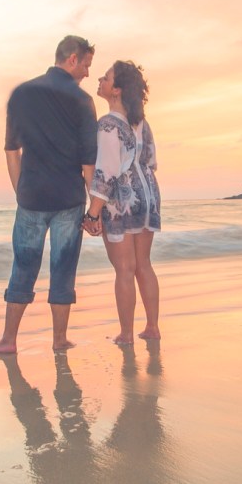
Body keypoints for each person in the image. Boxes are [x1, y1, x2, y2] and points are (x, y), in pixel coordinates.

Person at [0, 36, 98, 354]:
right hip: (68, 199)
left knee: (23, 266)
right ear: (73, 59)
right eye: (88, 65)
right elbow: (88, 162)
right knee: (63, 268)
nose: (88, 74)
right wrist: (95, 209)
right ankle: (59, 340)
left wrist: (22, 192)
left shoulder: (21, 94)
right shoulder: (82, 101)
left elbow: (11, 151)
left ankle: (8, 340)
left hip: (31, 197)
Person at [83, 60, 161, 344]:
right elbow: (151, 161)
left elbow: (106, 171)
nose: (100, 80)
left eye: (105, 78)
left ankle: (126, 334)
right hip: (149, 196)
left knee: (124, 270)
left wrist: (92, 213)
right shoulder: (142, 122)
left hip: (122, 201)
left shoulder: (107, 125)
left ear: (115, 90)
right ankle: (152, 327)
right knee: (144, 265)